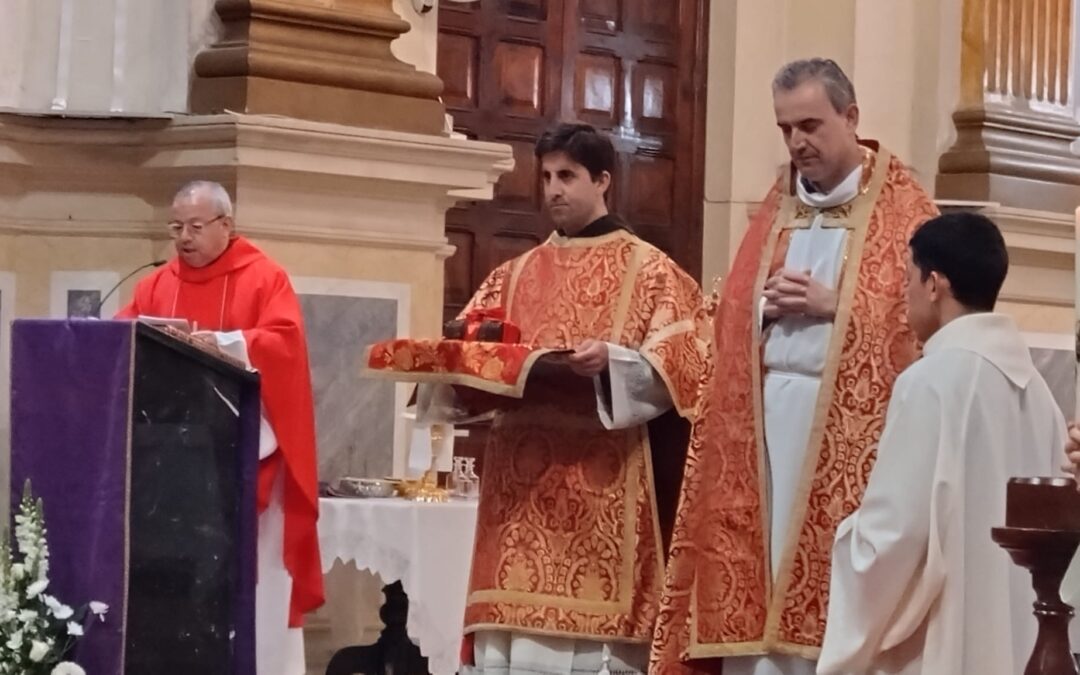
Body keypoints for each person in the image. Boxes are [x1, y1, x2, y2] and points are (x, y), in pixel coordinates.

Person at [651, 58, 938, 675]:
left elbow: (932, 322)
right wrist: (757, 305)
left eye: (810, 124)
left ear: (851, 117)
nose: (797, 142)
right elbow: (727, 314)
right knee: (758, 572)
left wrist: (839, 305)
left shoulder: (906, 208)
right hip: (762, 423)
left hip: (849, 429)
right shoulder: (776, 205)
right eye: (785, 128)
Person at [455, 123, 711, 675]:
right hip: (518, 491)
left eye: (567, 176)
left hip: (604, 487)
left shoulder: (651, 273)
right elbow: (469, 354)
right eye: (546, 176)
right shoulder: (513, 275)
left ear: (602, 181)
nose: (553, 189)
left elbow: (687, 366)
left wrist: (616, 365)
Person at [817, 212, 1065, 675]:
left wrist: (846, 542)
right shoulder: (1037, 389)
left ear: (934, 284)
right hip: (1017, 639)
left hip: (940, 641)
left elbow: (894, 535)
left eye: (908, 276)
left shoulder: (929, 382)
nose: (903, 293)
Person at [117, 180, 323, 675]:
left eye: (194, 226)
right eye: (175, 227)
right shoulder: (156, 284)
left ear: (226, 226)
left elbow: (285, 342)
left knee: (257, 585)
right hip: (170, 465)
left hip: (248, 458)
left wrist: (225, 344)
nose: (183, 238)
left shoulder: (264, 277)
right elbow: (120, 338)